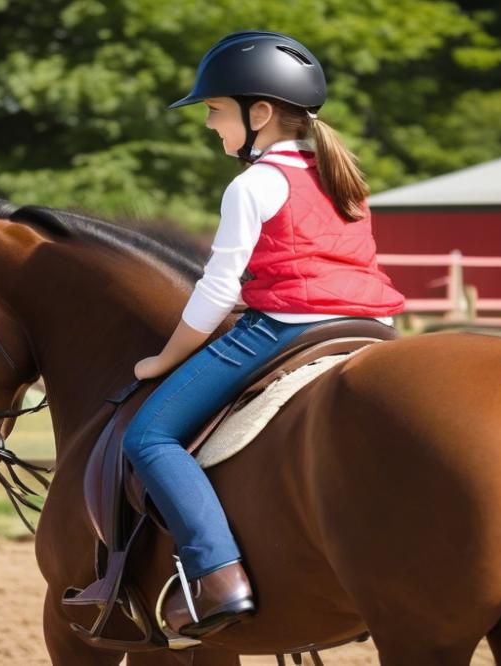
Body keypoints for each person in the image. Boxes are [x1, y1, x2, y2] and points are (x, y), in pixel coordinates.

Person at [121, 30, 405, 639]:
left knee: (148, 436)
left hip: (288, 325)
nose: (209, 126)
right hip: (371, 327)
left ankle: (216, 574)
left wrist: (164, 358)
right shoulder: (342, 178)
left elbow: (220, 289)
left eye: (215, 111)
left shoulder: (252, 184)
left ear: (261, 113)